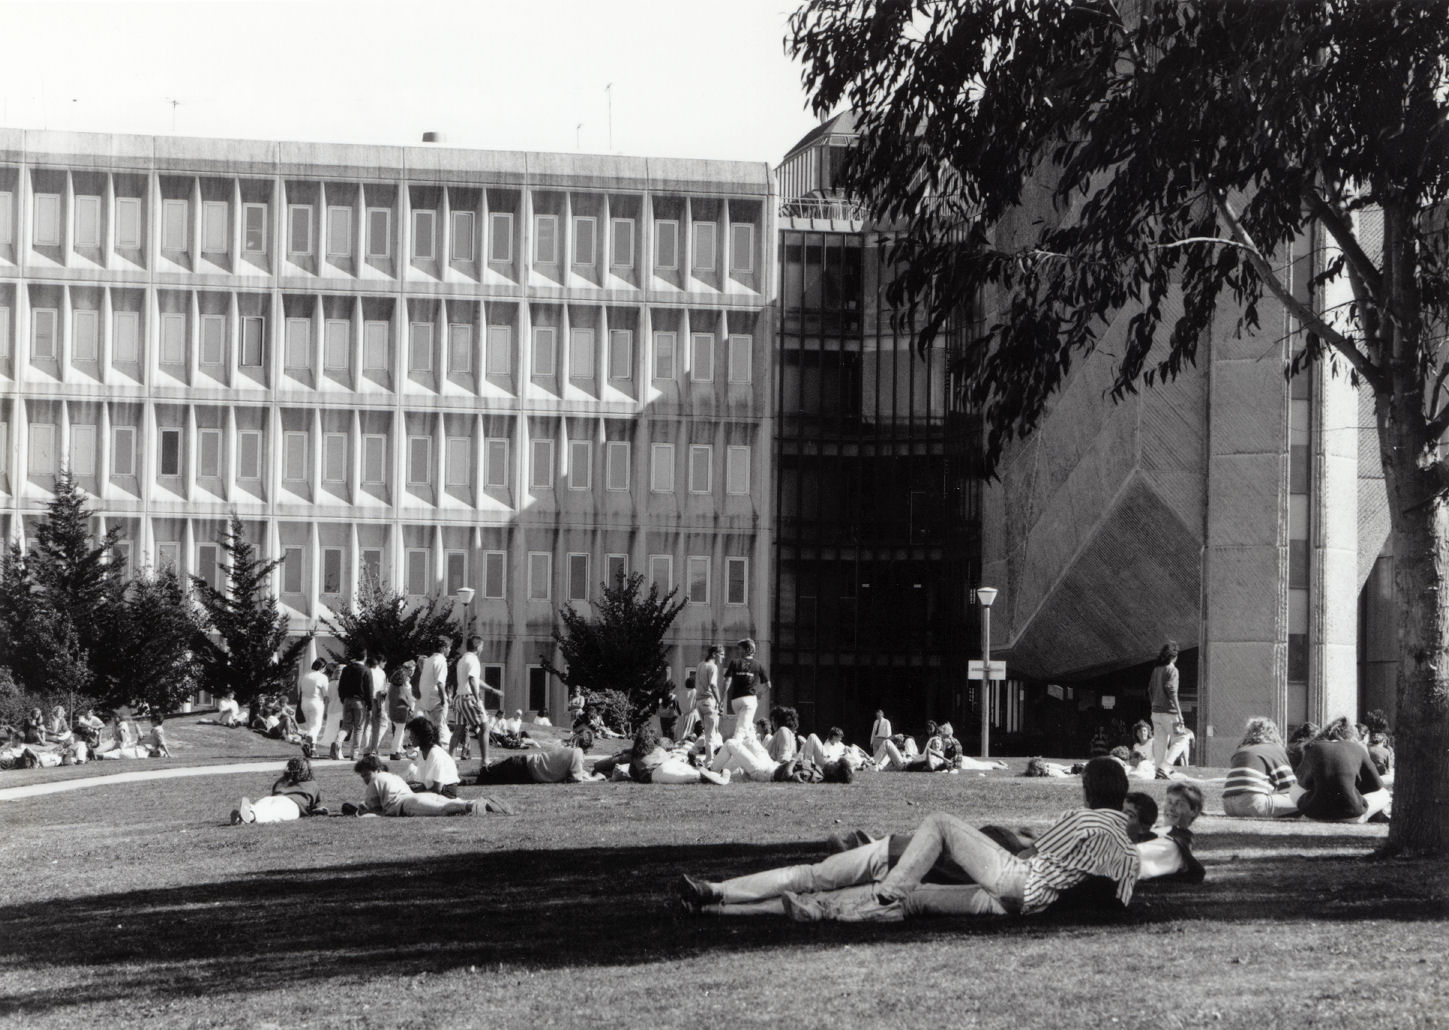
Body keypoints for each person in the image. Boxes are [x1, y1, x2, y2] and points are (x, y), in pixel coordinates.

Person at [679, 760, 1153, 920]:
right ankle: (717, 905)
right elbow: (1118, 902)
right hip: (1027, 906)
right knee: (901, 898)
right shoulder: (1127, 851)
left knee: (942, 824)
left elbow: (1033, 856)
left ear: (1091, 790)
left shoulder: (1085, 819)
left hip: (1020, 885)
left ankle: (888, 891)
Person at [1296, 716, 1392, 823]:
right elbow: (1376, 785)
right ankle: (1361, 818)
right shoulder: (1357, 748)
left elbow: (1301, 784)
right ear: (1352, 735)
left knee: (1295, 788)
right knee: (1384, 793)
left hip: (1315, 813)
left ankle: (1308, 814)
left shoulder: (1313, 748)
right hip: (1351, 814)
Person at [349, 755, 503, 816]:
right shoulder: (393, 777)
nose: (364, 778)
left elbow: (373, 810)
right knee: (447, 803)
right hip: (418, 796)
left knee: (441, 810)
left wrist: (361, 810)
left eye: (366, 774)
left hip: (407, 804)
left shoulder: (375, 781)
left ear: (376, 770)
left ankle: (472, 806)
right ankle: (480, 802)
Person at [1222, 717, 1301, 818]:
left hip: (1228, 806)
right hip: (1253, 804)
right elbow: (1290, 787)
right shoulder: (1275, 749)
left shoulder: (1241, 750)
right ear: (1273, 733)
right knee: (1302, 798)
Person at [622, 724, 731, 785]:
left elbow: (633, 774)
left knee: (688, 778)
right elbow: (669, 756)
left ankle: (707, 778)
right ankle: (717, 775)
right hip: (673, 762)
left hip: (656, 772)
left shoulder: (636, 756)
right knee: (693, 772)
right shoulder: (659, 749)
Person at [231, 756, 325, 824]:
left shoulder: (281, 781)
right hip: (292, 804)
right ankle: (251, 816)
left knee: (263, 807)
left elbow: (274, 792)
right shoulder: (312, 784)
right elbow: (317, 807)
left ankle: (248, 811)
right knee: (273, 814)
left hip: (271, 798)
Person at [1147, 641, 1183, 775]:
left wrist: (1154, 705)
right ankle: (1166, 766)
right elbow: (1171, 690)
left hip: (1155, 713)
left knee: (1160, 743)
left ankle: (1158, 771)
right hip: (1170, 713)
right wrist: (1179, 713)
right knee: (1181, 739)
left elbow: (1149, 689)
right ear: (1174, 655)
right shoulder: (1172, 669)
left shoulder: (1156, 670)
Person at [476, 745, 597, 785]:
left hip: (522, 763)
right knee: (482, 778)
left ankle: (459, 776)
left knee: (485, 774)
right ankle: (459, 777)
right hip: (524, 770)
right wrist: (597, 778)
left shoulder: (571, 750)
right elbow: (576, 780)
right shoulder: (578, 754)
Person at [404, 715, 460, 797]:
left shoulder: (435, 753)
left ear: (420, 735)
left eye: (412, 733)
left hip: (446, 792)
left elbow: (437, 789)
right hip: (435, 791)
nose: (410, 737)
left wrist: (414, 795)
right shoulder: (422, 752)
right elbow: (426, 784)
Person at [332, 655, 370, 760]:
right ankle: (355, 753)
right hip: (359, 701)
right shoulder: (365, 670)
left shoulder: (346, 669)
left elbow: (341, 687)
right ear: (364, 657)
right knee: (358, 728)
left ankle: (338, 742)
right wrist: (370, 704)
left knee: (346, 726)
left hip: (347, 700)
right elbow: (368, 689)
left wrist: (343, 698)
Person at [418, 636, 452, 747]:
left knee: (434, 731)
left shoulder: (429, 660)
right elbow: (440, 683)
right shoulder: (441, 661)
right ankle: (443, 754)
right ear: (443, 648)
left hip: (426, 700)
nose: (450, 650)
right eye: (449, 647)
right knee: (441, 731)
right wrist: (444, 700)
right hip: (436, 700)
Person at [694, 645, 723, 761]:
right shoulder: (713, 666)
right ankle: (710, 762)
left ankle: (694, 752)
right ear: (715, 654)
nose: (723, 657)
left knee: (707, 733)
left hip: (699, 702)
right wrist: (720, 701)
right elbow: (713, 685)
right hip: (708, 701)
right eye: (721, 654)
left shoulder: (701, 665)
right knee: (711, 735)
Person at [385, 660, 417, 760]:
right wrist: (412, 708)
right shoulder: (406, 683)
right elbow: (411, 698)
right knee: (399, 733)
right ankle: (394, 752)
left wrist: (387, 710)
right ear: (406, 670)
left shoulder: (393, 683)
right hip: (402, 710)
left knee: (400, 732)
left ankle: (398, 750)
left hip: (392, 710)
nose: (412, 672)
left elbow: (387, 698)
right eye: (411, 670)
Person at [298, 657, 329, 753]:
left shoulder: (304, 675)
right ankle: (307, 743)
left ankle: (313, 748)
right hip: (316, 702)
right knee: (316, 726)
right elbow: (326, 694)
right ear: (322, 667)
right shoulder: (322, 677)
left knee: (310, 726)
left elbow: (299, 691)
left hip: (304, 702)